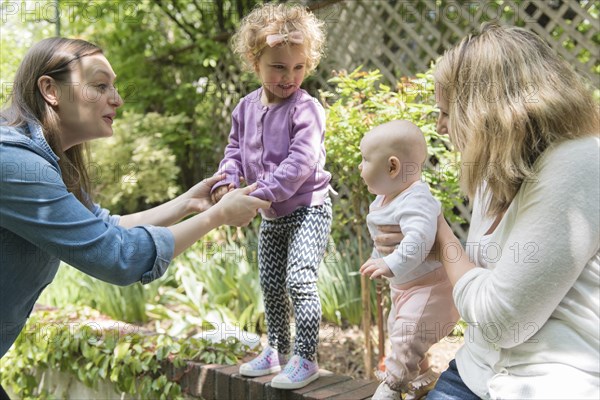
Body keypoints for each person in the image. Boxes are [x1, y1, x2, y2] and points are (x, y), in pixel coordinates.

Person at [0, 37, 270, 383]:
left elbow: (105, 226)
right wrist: (217, 217)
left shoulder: (47, 164)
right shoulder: (16, 165)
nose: (118, 99)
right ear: (50, 90)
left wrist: (189, 203)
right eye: (100, 86)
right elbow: (117, 256)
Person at [422, 23, 599, 399]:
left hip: (553, 383)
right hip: (474, 372)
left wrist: (443, 240)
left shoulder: (582, 163)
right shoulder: (493, 178)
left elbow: (502, 321)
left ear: (483, 111)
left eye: (446, 112)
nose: (439, 126)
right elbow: (481, 287)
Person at [210, 3, 332, 390]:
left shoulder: (307, 109)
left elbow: (300, 163)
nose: (289, 77)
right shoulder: (245, 108)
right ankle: (277, 349)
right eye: (278, 67)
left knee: (299, 279)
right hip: (272, 215)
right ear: (254, 61)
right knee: (270, 281)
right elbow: (233, 153)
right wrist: (227, 184)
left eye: (298, 68)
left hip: (308, 209)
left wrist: (257, 195)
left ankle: (307, 357)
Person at [358, 120, 459, 400]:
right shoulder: (384, 199)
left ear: (392, 167)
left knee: (407, 335)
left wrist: (389, 265)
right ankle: (423, 379)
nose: (360, 167)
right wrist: (379, 259)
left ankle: (392, 387)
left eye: (365, 160)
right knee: (402, 334)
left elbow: (419, 241)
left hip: (431, 288)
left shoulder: (416, 199)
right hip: (405, 289)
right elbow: (386, 241)